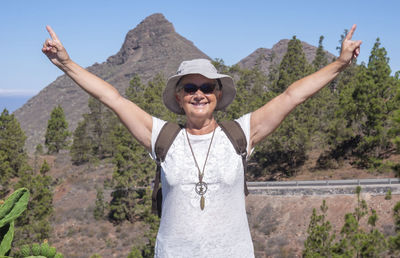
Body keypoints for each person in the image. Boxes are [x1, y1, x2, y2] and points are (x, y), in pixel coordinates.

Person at [42, 24, 361, 257]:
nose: (199, 93)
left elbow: (292, 96)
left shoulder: (241, 133)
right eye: (190, 87)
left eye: (207, 87)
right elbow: (112, 98)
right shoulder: (162, 137)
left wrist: (340, 63)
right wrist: (66, 63)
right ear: (178, 97)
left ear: (218, 95)